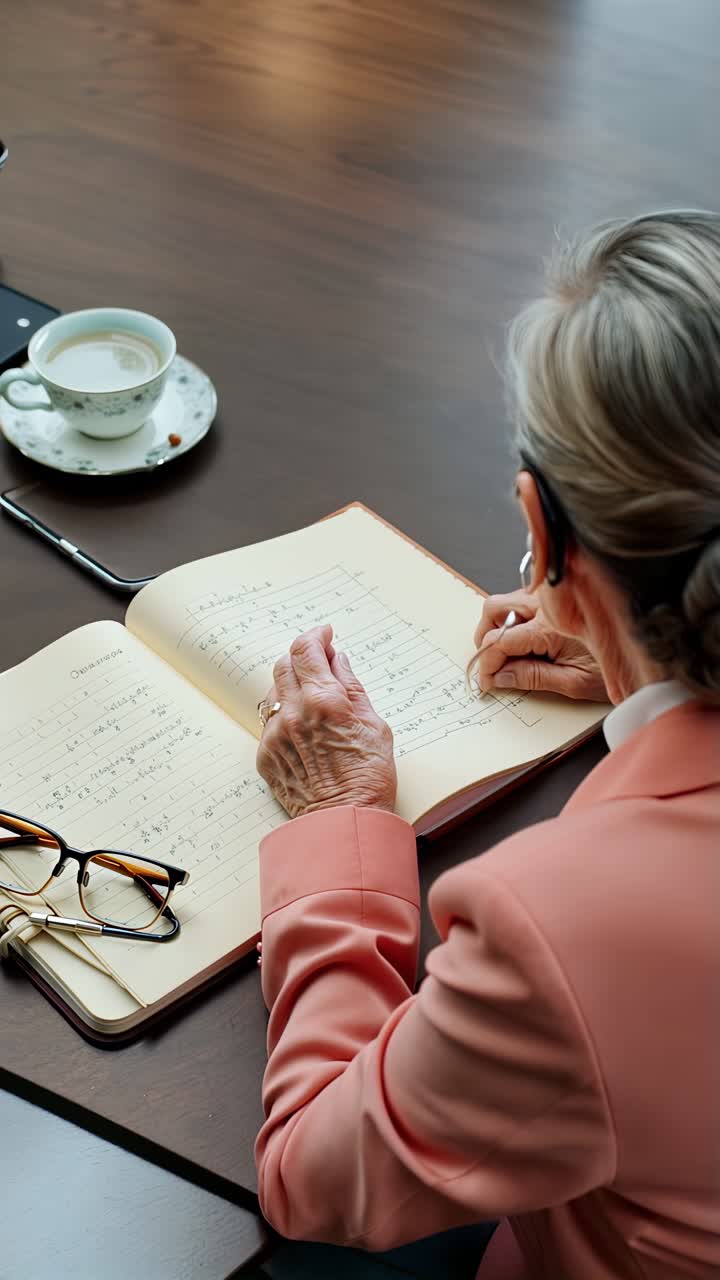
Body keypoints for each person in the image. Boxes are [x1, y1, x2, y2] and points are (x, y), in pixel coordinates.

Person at [253, 211, 720, 1279]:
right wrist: (656, 659)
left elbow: (310, 1176)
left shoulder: (561, 930)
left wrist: (340, 821)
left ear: (544, 529)